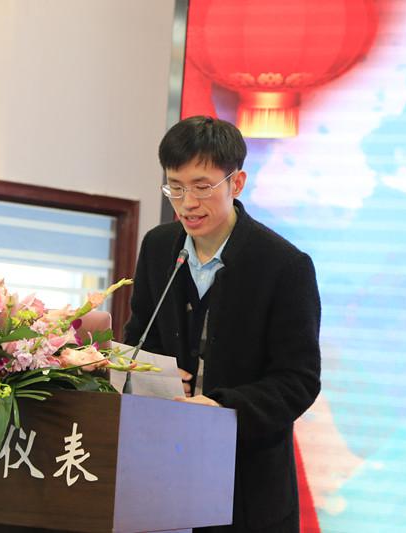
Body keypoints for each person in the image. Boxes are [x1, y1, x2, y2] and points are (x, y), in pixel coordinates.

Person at [123, 116, 321, 532]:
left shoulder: (284, 265)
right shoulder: (158, 248)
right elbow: (139, 338)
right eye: (175, 187)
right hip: (163, 470)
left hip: (247, 486)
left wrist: (222, 407)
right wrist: (146, 371)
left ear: (237, 183)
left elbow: (299, 380)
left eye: (202, 187)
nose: (187, 203)